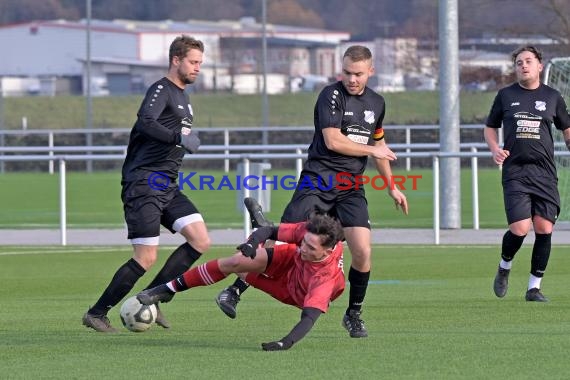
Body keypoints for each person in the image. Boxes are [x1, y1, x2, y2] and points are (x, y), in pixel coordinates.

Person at [217, 45, 408, 338]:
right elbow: (332, 141)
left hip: (350, 187)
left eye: (358, 73)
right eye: (346, 72)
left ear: (371, 71)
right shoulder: (330, 96)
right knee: (281, 244)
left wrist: (392, 187)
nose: (352, 79)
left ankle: (354, 313)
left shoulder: (377, 103)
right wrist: (373, 149)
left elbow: (380, 148)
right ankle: (234, 289)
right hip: (318, 180)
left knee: (363, 250)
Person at [82, 35, 210, 332]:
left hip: (167, 184)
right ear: (176, 60)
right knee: (146, 256)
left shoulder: (183, 98)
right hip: (144, 182)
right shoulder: (161, 89)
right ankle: (97, 313)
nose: (197, 68)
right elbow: (145, 122)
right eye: (193, 62)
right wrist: (178, 138)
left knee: (200, 240)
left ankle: (151, 297)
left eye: (200, 63)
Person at [136, 212, 345, 351]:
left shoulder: (323, 279)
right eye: (303, 242)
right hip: (291, 261)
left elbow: (308, 319)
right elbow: (270, 230)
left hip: (293, 290)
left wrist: (285, 343)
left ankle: (234, 291)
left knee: (244, 273)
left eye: (310, 247)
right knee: (237, 262)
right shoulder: (307, 236)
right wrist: (253, 243)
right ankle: (167, 289)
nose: (303, 247)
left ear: (327, 251)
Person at [485, 45, 570, 302]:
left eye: (528, 61)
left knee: (544, 228)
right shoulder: (505, 95)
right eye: (519, 62)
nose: (523, 65)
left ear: (539, 66)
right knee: (520, 228)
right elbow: (490, 127)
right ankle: (505, 266)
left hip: (544, 172)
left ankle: (534, 288)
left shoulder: (553, 97)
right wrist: (494, 149)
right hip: (516, 171)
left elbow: (566, 128)